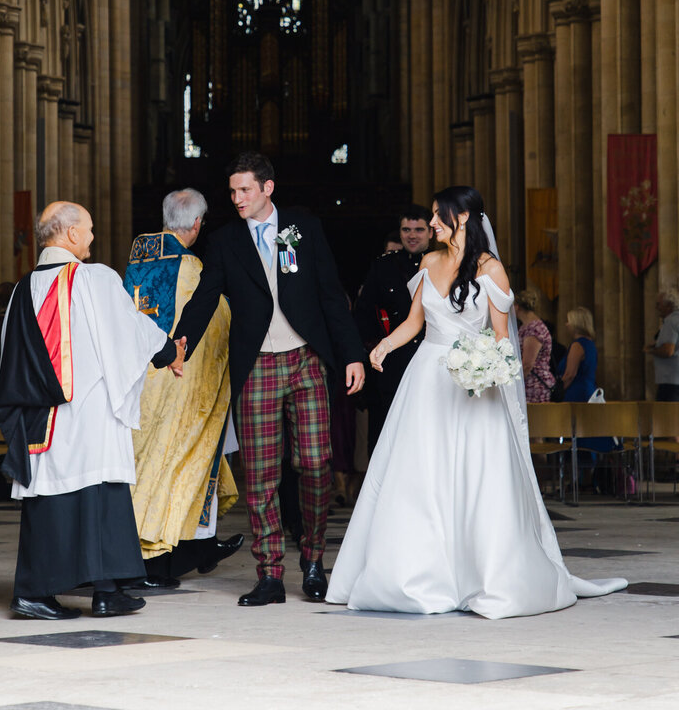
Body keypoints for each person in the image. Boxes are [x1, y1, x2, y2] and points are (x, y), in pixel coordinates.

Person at [326, 185, 627, 618]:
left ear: (461, 218)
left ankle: (481, 576)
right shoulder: (429, 262)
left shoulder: (491, 271)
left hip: (473, 385)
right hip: (426, 381)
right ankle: (417, 574)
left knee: (474, 478)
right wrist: (383, 347)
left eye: (436, 216)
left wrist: (490, 372)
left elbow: (503, 339)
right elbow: (415, 322)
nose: (430, 224)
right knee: (419, 475)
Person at [172, 152, 366, 607]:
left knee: (317, 463)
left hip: (306, 359)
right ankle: (270, 574)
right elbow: (203, 299)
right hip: (256, 363)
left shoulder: (303, 227)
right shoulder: (224, 242)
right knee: (259, 475)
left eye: (245, 190)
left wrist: (352, 354)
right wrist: (180, 342)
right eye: (233, 191)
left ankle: (314, 560)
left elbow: (330, 294)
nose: (237, 199)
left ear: (267, 188)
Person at [0, 201, 185, 620]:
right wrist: (169, 350)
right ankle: (44, 593)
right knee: (100, 493)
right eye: (91, 229)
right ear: (72, 234)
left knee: (52, 498)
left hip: (40, 417)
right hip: (87, 412)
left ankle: (100, 591)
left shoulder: (22, 290)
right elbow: (130, 329)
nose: (94, 238)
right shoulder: (91, 279)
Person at [123, 188, 244, 584]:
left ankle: (193, 547)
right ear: (196, 224)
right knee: (178, 464)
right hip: (175, 383)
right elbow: (212, 325)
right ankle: (161, 555)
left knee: (143, 468)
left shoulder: (137, 260)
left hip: (138, 381)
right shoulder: (191, 267)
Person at [354, 205, 432, 452]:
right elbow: (364, 314)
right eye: (406, 229)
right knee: (386, 436)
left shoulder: (441, 265)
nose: (412, 235)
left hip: (430, 359)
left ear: (431, 232)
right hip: (392, 363)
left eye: (419, 229)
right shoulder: (383, 267)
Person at [516, 288, 555, 403]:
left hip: (534, 384)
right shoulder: (525, 326)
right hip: (530, 382)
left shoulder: (534, 328)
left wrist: (515, 384)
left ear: (517, 307)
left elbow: (528, 363)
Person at [645, 287, 679, 400]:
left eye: (659, 304)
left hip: (671, 381)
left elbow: (668, 350)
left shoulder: (670, 321)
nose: (657, 308)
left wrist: (650, 350)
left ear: (668, 305)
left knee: (665, 415)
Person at [557, 307, 598, 401]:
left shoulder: (578, 345)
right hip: (589, 390)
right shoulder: (590, 344)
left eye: (568, 321)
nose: (566, 324)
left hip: (577, 394)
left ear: (576, 323)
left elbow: (570, 374)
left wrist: (557, 392)